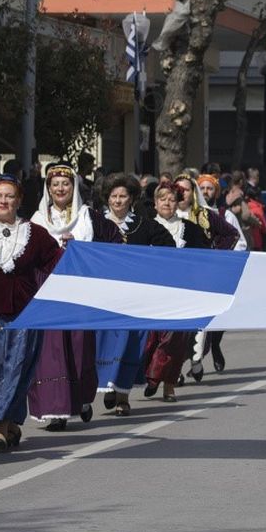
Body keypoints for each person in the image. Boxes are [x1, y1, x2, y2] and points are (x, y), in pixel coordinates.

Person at [0, 174, 60, 452]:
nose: (4, 201)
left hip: (24, 312)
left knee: (15, 368)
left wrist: (73, 249)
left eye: (10, 196)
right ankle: (9, 423)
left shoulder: (36, 234)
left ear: (19, 201)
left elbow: (56, 263)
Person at [28, 162, 124, 431]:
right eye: (55, 184)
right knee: (50, 351)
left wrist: (82, 249)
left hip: (80, 290)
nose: (60, 188)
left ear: (74, 187)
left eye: (66, 183)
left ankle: (81, 399)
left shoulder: (88, 217)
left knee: (80, 348)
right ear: (48, 188)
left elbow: (114, 243)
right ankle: (54, 411)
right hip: (46, 291)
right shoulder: (36, 219)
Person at [94, 173, 175, 416]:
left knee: (130, 344)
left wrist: (148, 267)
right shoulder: (94, 223)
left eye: (123, 196)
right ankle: (108, 384)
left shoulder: (144, 225)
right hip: (103, 297)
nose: (117, 201)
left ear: (131, 199)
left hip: (133, 298)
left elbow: (168, 249)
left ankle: (122, 396)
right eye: (113, 196)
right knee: (104, 343)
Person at [140, 181, 216, 403]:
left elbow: (203, 258)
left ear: (178, 203)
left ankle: (168, 386)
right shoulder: (144, 227)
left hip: (181, 291)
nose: (167, 203)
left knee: (175, 340)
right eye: (162, 198)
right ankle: (151, 374)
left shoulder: (190, 229)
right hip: (151, 292)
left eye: (172, 199)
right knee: (152, 339)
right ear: (154, 203)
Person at [196, 172, 246, 372]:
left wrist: (225, 260)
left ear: (216, 191)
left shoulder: (226, 215)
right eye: (202, 188)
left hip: (220, 274)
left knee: (218, 316)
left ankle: (215, 344)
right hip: (197, 276)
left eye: (210, 188)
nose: (206, 192)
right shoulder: (190, 214)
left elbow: (240, 243)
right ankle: (194, 358)